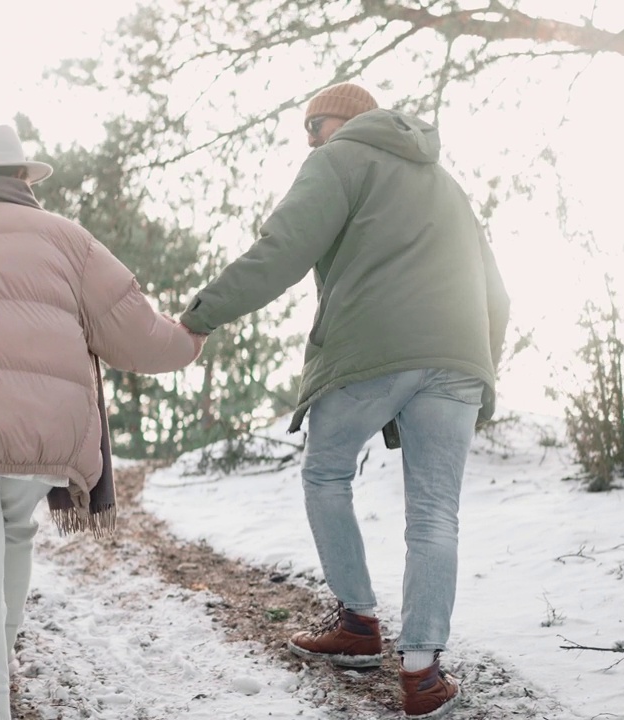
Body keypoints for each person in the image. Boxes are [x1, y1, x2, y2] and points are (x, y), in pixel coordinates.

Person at [178, 83, 510, 719]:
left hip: (371, 350)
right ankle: (422, 673)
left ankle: (358, 622)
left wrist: (202, 314)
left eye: (315, 123)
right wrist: (479, 366)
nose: (307, 137)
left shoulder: (338, 161)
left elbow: (280, 252)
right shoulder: (446, 183)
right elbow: (495, 290)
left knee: (327, 473)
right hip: (458, 359)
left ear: (351, 121)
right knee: (436, 515)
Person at [0, 124, 205, 720]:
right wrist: (189, 341)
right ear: (24, 178)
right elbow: (135, 333)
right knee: (14, 535)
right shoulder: (68, 240)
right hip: (41, 436)